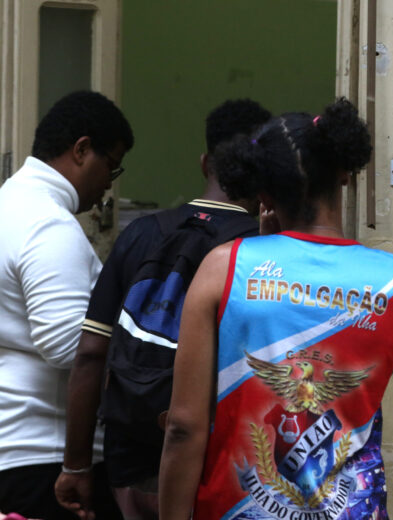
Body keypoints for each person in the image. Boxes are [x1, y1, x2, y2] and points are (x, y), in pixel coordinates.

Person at [158, 98, 393, 519]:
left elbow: (183, 428)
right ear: (344, 174)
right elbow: (362, 388)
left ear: (262, 193)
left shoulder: (224, 269)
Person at [54, 99, 272, 520]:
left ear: (205, 163)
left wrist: (76, 465)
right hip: (220, 465)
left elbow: (91, 354)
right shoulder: (258, 251)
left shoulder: (139, 234)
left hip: (129, 463)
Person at [0, 90, 133, 519]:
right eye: (110, 167)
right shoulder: (47, 224)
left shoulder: (8, 205)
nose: (108, 186)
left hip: (13, 446)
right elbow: (70, 348)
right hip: (47, 457)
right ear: (81, 150)